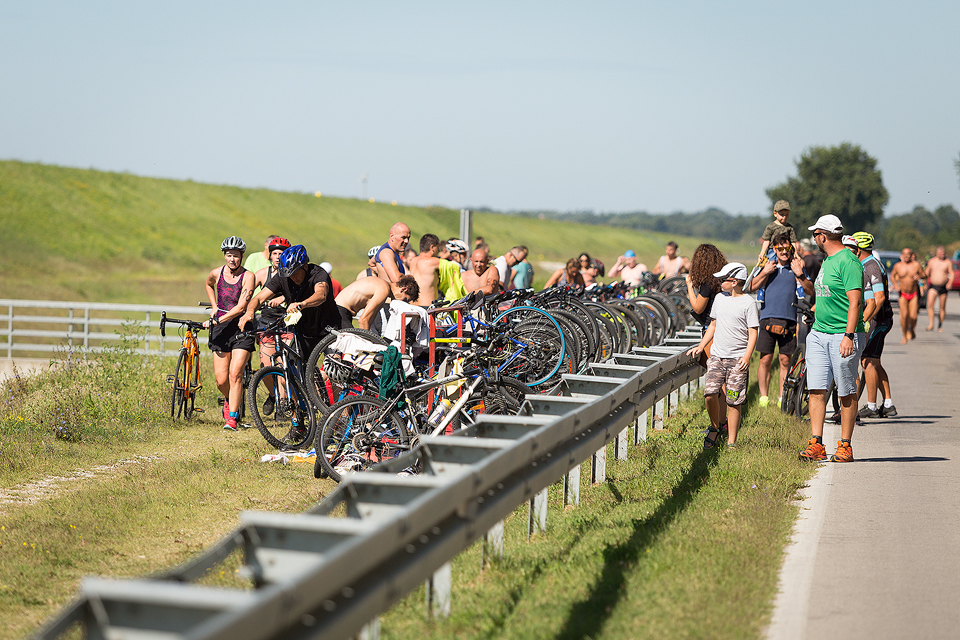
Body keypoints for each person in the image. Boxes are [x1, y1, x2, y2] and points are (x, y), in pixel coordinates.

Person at [798, 215, 865, 464]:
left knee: (846, 391)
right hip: (819, 333)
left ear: (822, 236)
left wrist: (848, 335)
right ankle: (816, 443)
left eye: (816, 234)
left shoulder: (848, 261)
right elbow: (822, 294)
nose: (815, 238)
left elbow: (855, 301)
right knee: (816, 389)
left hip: (842, 334)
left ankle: (845, 445)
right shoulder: (828, 260)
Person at [688, 262, 758, 449]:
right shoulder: (719, 298)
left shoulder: (749, 303)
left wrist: (747, 357)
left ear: (734, 281)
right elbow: (713, 324)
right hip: (717, 357)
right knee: (710, 393)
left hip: (737, 361)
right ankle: (715, 426)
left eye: (722, 280)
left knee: (734, 401)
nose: (719, 283)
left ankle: (731, 442)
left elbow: (753, 333)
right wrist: (702, 346)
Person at [239, 244, 341, 362]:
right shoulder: (283, 277)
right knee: (293, 367)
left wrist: (302, 304)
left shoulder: (318, 273)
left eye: (295, 273)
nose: (292, 277)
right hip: (304, 330)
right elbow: (258, 298)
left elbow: (321, 294)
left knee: (334, 366)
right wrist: (250, 312)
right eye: (289, 274)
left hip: (328, 327)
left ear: (305, 266)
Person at [747, 233, 813, 408]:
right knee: (765, 359)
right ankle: (763, 397)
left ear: (791, 249)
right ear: (774, 249)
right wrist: (766, 272)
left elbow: (811, 290)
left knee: (785, 360)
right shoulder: (768, 265)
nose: (784, 252)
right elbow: (752, 286)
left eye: (787, 248)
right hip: (767, 318)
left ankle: (782, 397)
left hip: (790, 319)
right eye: (780, 249)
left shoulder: (796, 266)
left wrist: (800, 275)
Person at [203, 237, 256, 431]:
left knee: (235, 374)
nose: (231, 259)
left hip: (242, 328)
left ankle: (232, 418)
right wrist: (215, 305)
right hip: (221, 329)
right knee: (221, 380)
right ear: (224, 255)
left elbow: (242, 306)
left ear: (242, 256)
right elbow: (209, 284)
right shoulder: (216, 273)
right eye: (228, 255)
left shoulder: (248, 276)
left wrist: (218, 319)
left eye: (235, 255)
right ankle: (229, 398)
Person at [849, 232, 897, 419]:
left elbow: (880, 298)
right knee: (875, 362)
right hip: (877, 319)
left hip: (879, 320)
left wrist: (865, 320)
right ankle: (888, 403)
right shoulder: (867, 264)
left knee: (867, 361)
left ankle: (871, 406)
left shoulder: (871, 267)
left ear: (858, 249)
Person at [252, 237, 293, 382]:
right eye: (275, 253)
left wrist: (283, 299)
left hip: (288, 325)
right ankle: (271, 396)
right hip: (266, 323)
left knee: (285, 369)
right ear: (270, 255)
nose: (278, 257)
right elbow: (246, 292)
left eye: (281, 254)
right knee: (266, 369)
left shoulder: (293, 275)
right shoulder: (262, 274)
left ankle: (286, 401)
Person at [335, 275, 419, 331]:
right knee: (351, 343)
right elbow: (363, 320)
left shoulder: (384, 290)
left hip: (343, 311)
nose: (402, 303)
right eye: (405, 300)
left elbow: (369, 321)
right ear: (403, 289)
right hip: (339, 310)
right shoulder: (384, 289)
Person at [889, 247, 925, 343]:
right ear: (902, 255)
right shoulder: (898, 266)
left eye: (908, 254)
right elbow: (892, 276)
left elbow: (924, 275)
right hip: (902, 294)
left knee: (913, 316)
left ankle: (912, 329)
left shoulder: (916, 265)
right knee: (904, 315)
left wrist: (920, 276)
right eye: (904, 253)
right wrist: (896, 285)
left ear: (911, 255)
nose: (906, 255)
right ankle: (904, 335)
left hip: (913, 294)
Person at [925, 245, 953, 332]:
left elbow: (952, 274)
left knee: (942, 307)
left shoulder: (948, 262)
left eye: (944, 253)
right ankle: (931, 324)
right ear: (937, 253)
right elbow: (926, 273)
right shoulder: (932, 261)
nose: (942, 254)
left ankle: (940, 324)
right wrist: (924, 284)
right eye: (941, 253)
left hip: (943, 286)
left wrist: (950, 283)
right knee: (930, 305)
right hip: (933, 286)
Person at [408, 234, 442, 306]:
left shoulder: (413, 261)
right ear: (432, 247)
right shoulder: (434, 262)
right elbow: (452, 266)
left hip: (412, 307)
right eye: (438, 247)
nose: (439, 251)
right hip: (427, 307)